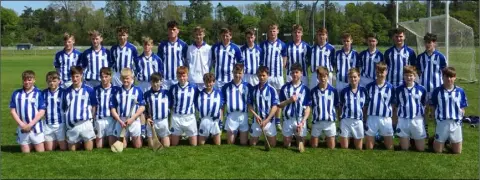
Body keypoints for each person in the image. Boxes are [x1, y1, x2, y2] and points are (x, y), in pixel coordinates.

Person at [416, 33, 447, 137]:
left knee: (435, 112)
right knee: (424, 110)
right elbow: (419, 72)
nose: (427, 44)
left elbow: (444, 73)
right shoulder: (420, 57)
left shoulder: (441, 57)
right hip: (423, 89)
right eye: (426, 42)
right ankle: (425, 131)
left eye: (429, 42)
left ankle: (437, 132)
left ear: (434, 43)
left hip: (436, 89)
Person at [431, 67, 467, 154]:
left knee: (457, 152)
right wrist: (435, 119)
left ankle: (449, 141)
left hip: (455, 122)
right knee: (438, 151)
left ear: (455, 77)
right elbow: (433, 106)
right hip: (442, 121)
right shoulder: (437, 91)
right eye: (446, 76)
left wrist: (460, 118)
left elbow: (462, 107)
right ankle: (434, 140)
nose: (449, 79)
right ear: (442, 77)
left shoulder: (460, 91)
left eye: (451, 77)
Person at [10, 70, 46, 153]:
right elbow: (12, 111)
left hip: (36, 127)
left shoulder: (39, 93)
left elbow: (42, 111)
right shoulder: (16, 93)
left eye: (29, 80)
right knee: (25, 153)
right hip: (22, 127)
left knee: (40, 152)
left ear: (34, 80)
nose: (27, 82)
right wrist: (22, 125)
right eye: (25, 80)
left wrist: (30, 125)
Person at [259, 23, 286, 131]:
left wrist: (282, 67)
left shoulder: (282, 44)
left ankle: (277, 120)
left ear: (277, 31)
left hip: (278, 76)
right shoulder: (263, 44)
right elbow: (261, 59)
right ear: (268, 32)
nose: (272, 33)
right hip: (267, 76)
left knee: (278, 99)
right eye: (270, 31)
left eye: (274, 30)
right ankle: (266, 118)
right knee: (265, 98)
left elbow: (284, 58)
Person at [63, 66, 97, 151]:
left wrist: (91, 119)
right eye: (73, 76)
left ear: (81, 75)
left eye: (77, 76)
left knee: (88, 150)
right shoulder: (66, 92)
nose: (75, 79)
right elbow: (65, 108)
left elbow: (94, 105)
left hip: (85, 122)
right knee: (72, 151)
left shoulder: (89, 90)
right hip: (72, 124)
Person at [278, 63, 311, 150]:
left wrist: (303, 122)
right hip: (288, 119)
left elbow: (308, 108)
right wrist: (289, 100)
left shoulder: (305, 89)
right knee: (286, 145)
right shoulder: (285, 88)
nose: (294, 74)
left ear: (301, 73)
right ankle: (292, 136)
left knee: (300, 145)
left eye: (297, 72)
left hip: (300, 120)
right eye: (292, 73)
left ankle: (298, 136)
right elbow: (280, 105)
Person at [110, 68, 145, 149]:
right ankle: (127, 138)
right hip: (121, 121)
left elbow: (142, 107)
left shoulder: (138, 90)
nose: (125, 80)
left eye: (127, 78)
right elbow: (113, 108)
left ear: (132, 78)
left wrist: (132, 118)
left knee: (138, 146)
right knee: (123, 146)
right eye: (123, 78)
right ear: (120, 79)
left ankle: (137, 136)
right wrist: (119, 121)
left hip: (134, 120)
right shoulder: (117, 91)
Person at [394, 65, 427, 151]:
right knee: (404, 149)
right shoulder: (398, 89)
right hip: (403, 119)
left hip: (417, 119)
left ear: (415, 76)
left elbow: (424, 105)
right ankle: (406, 140)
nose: (409, 77)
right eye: (406, 75)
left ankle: (414, 139)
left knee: (421, 149)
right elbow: (397, 106)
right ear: (403, 76)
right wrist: (395, 120)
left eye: (411, 75)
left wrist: (424, 118)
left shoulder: (421, 89)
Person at [364, 62, 395, 150]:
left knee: (389, 148)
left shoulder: (391, 87)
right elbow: (366, 105)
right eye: (378, 72)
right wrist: (365, 119)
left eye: (382, 72)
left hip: (386, 118)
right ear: (375, 72)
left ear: (386, 72)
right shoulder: (369, 86)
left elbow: (393, 105)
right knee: (369, 148)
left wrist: (393, 121)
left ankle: (381, 137)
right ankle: (376, 137)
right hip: (372, 117)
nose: (380, 74)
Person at [221, 64, 252, 145]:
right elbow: (223, 105)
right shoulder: (226, 86)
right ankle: (235, 132)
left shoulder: (248, 86)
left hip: (243, 115)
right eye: (235, 73)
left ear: (243, 73)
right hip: (231, 116)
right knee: (230, 143)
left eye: (240, 73)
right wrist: (221, 119)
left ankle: (239, 132)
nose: (237, 75)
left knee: (243, 143)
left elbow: (250, 102)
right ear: (232, 72)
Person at [248, 66, 279, 147]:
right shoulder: (253, 89)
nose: (261, 77)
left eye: (263, 75)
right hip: (257, 120)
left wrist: (267, 120)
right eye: (260, 75)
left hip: (269, 121)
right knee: (252, 144)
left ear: (267, 75)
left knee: (272, 144)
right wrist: (256, 116)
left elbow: (275, 107)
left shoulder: (272, 90)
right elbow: (249, 105)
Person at [310, 66, 340, 149]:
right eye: (320, 77)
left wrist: (339, 120)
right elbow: (310, 107)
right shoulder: (313, 91)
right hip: (317, 122)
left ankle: (330, 137)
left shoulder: (333, 91)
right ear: (317, 77)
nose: (322, 79)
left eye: (324, 76)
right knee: (314, 146)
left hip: (329, 122)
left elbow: (337, 106)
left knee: (331, 147)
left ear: (328, 76)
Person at [169, 66, 199, 146]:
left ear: (187, 76)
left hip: (189, 117)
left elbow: (196, 101)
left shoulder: (194, 88)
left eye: (184, 76)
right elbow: (170, 103)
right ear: (177, 76)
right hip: (177, 117)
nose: (182, 78)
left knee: (194, 144)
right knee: (174, 144)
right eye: (179, 76)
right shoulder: (173, 88)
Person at [338, 68, 368, 150]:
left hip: (358, 120)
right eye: (351, 77)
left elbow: (365, 107)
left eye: (355, 77)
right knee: (344, 147)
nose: (353, 79)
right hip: (346, 120)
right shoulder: (344, 91)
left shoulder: (364, 91)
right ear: (348, 78)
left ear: (359, 77)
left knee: (359, 148)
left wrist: (364, 120)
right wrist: (340, 119)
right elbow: (340, 106)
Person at [93, 67, 120, 148]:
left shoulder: (116, 90)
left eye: (106, 77)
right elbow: (93, 106)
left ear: (110, 77)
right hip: (99, 119)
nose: (104, 79)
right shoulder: (95, 90)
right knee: (99, 147)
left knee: (112, 145)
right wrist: (93, 119)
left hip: (111, 119)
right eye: (102, 77)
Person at [158, 20, 188, 90]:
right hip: (165, 79)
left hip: (178, 78)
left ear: (178, 30)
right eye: (170, 29)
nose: (172, 31)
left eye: (174, 29)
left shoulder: (183, 45)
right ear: (167, 31)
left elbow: (186, 62)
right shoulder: (162, 45)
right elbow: (159, 61)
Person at [195, 73, 224, 145]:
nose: (208, 84)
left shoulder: (219, 93)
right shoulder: (200, 94)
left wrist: (221, 121)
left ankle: (212, 134)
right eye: (207, 82)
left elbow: (221, 107)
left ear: (214, 82)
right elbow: (197, 106)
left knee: (218, 144)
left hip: (215, 121)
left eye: (210, 82)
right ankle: (207, 134)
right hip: (204, 120)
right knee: (201, 144)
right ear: (204, 82)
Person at [144, 72, 171, 148]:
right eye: (153, 82)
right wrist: (147, 119)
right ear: (150, 82)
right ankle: (154, 137)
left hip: (163, 121)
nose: (155, 84)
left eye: (157, 82)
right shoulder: (147, 94)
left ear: (161, 82)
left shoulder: (167, 93)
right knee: (152, 146)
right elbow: (144, 110)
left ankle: (163, 136)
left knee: (166, 145)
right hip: (152, 122)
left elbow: (170, 107)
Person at [42, 71, 67, 151]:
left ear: (59, 81)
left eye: (54, 81)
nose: (52, 83)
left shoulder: (64, 92)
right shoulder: (43, 93)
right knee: (49, 149)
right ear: (47, 82)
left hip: (60, 124)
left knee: (63, 148)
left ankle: (63, 140)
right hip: (48, 124)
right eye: (49, 81)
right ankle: (55, 140)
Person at [187, 26, 212, 90]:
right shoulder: (189, 48)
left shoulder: (209, 48)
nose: (198, 36)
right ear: (194, 35)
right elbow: (188, 62)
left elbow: (210, 63)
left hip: (205, 79)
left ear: (204, 34)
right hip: (192, 79)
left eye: (200, 34)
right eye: (196, 34)